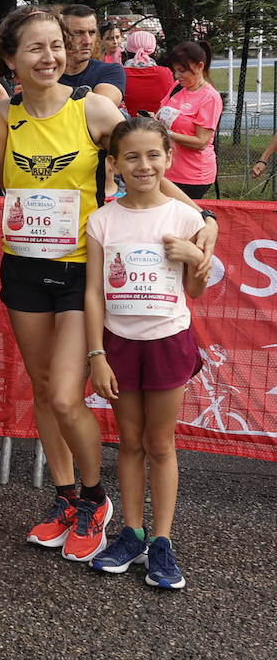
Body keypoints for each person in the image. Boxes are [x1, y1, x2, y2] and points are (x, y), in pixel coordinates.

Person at [0, 6, 217, 562]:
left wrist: (204, 218)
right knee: (41, 388)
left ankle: (94, 498)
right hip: (23, 268)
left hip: (80, 271)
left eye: (55, 46)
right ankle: (65, 498)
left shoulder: (94, 108)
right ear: (10, 58)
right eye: (34, 48)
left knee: (64, 394)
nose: (49, 56)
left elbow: (145, 159)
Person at [85, 117, 208, 589]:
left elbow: (195, 289)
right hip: (117, 344)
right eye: (132, 157)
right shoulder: (102, 220)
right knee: (129, 443)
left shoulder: (185, 218)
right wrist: (96, 353)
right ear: (114, 164)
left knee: (160, 444)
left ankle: (162, 541)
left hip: (167, 340)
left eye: (153, 155)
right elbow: (94, 292)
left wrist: (195, 259)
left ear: (169, 159)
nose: (144, 165)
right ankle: (132, 533)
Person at [159, 41, 222, 199]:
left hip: (192, 176)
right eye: (175, 71)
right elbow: (162, 112)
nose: (177, 75)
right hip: (168, 170)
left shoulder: (210, 97)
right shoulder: (177, 87)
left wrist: (167, 134)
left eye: (182, 71)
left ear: (200, 66)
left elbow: (201, 142)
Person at [61, 4, 126, 107]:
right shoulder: (46, 73)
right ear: (61, 35)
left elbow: (101, 110)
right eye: (78, 33)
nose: (87, 41)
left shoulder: (110, 71)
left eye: (91, 33)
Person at [121, 31, 174, 118]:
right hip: (159, 127)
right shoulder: (166, 73)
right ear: (155, 52)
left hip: (128, 127)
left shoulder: (120, 75)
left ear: (126, 53)